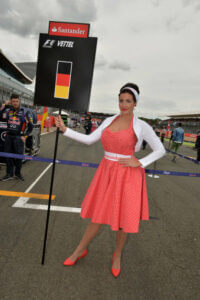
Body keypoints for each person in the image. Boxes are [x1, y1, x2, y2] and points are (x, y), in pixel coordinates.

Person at [55, 82, 166, 278]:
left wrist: (140, 163)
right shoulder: (108, 121)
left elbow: (160, 149)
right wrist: (65, 130)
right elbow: (90, 140)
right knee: (98, 215)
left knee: (123, 219)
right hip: (106, 172)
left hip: (128, 176)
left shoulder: (141, 126)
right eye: (121, 100)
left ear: (135, 103)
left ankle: (117, 255)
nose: (124, 104)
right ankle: (80, 250)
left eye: (128, 101)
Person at [0, 94, 34, 181]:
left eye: (16, 101)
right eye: (13, 101)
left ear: (19, 101)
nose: (15, 103)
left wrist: (25, 136)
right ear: (11, 101)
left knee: (18, 157)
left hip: (18, 138)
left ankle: (18, 174)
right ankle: (9, 174)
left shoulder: (25, 111)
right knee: (8, 156)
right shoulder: (7, 110)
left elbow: (31, 126)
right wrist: (4, 105)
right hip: (8, 137)